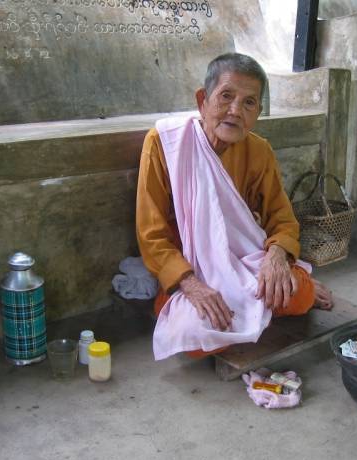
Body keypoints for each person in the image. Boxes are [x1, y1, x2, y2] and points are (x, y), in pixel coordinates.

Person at [136, 53, 333, 360]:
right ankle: (251, 308)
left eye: (249, 103)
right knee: (196, 336)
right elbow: (151, 234)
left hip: (245, 261)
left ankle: (270, 294)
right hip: (192, 267)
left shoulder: (259, 151)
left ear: (258, 112)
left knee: (297, 294)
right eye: (226, 96)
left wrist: (277, 257)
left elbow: (281, 218)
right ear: (203, 99)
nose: (235, 111)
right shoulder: (165, 144)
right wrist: (190, 284)